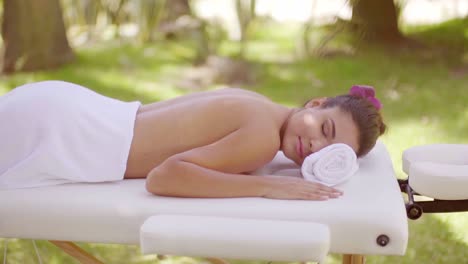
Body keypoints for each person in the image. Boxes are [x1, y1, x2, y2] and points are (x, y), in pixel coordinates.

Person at [0, 81, 385, 201]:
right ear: (315, 104)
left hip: (68, 106)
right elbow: (164, 178)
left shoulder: (258, 103)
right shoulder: (263, 139)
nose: (315, 146)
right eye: (325, 128)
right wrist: (268, 185)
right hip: (65, 134)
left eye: (330, 150)